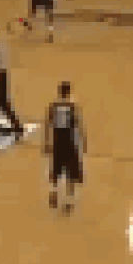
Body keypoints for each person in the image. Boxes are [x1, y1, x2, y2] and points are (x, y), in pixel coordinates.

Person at [45, 81, 85, 213]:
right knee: (71, 174)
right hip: (69, 142)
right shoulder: (72, 106)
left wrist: (47, 142)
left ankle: (54, 193)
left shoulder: (53, 106)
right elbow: (79, 125)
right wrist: (83, 141)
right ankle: (69, 201)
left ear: (59, 92)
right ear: (68, 93)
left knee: (55, 170)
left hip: (57, 142)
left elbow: (48, 124)